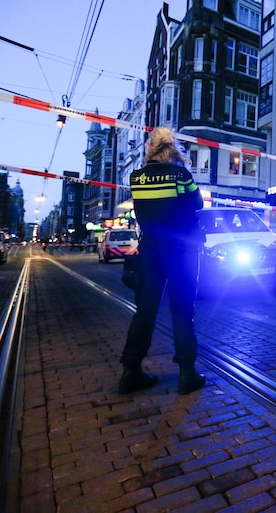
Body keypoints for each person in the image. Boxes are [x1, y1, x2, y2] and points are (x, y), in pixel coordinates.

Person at [118, 127, 207, 396]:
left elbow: (143, 211)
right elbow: (198, 203)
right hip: (182, 251)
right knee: (182, 310)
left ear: (150, 149)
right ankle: (186, 373)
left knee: (145, 311)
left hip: (151, 250)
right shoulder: (180, 175)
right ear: (172, 148)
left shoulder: (137, 178)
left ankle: (130, 371)